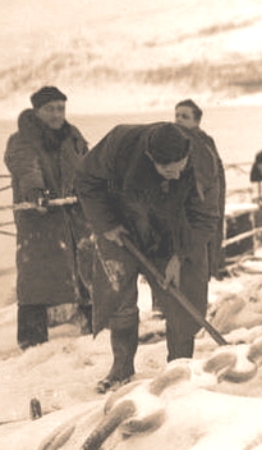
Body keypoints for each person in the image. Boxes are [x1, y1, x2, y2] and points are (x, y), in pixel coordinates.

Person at [75, 122, 221, 393]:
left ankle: (179, 366)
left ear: (188, 153)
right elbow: (85, 179)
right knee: (118, 291)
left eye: (180, 166)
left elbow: (205, 217)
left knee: (184, 293)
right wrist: (106, 224)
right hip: (123, 226)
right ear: (150, 157)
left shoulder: (203, 161)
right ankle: (122, 366)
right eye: (166, 169)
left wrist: (180, 257)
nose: (176, 174)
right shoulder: (119, 144)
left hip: (176, 232)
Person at [4, 86, 92, 350]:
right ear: (37, 111)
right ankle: (31, 341)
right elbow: (25, 167)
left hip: (75, 219)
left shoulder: (73, 136)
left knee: (87, 272)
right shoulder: (22, 139)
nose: (56, 114)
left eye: (60, 108)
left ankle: (96, 328)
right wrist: (35, 192)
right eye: (50, 109)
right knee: (36, 280)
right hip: (41, 222)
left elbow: (87, 166)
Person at [175, 99, 228, 279]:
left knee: (197, 258)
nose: (178, 119)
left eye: (184, 116)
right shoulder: (182, 140)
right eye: (177, 115)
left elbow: (205, 177)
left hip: (200, 209)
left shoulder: (201, 143)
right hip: (201, 208)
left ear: (196, 121)